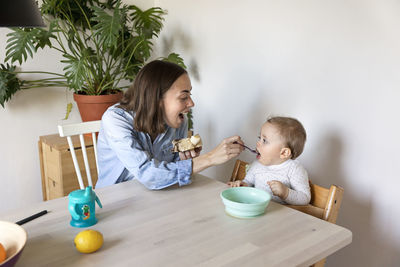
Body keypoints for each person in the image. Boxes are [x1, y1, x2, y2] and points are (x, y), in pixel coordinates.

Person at [96, 60, 244, 189]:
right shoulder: (115, 120)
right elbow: (148, 174)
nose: (191, 103)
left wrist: (185, 156)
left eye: (189, 95)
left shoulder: (180, 121)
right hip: (114, 201)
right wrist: (210, 158)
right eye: (183, 97)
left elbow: (173, 165)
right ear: (156, 99)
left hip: (158, 196)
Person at [228, 116, 311, 205]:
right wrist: (242, 184)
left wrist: (286, 193)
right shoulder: (257, 164)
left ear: (284, 153)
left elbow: (305, 198)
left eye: (264, 141)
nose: (258, 143)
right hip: (258, 210)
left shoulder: (294, 169)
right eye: (259, 138)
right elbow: (248, 182)